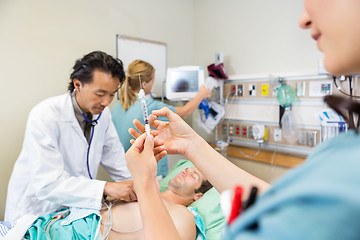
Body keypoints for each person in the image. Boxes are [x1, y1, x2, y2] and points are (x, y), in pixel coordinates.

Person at [125, 1, 360, 238]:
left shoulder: (349, 170)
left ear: (198, 197)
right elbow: (279, 208)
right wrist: (191, 144)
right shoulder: (343, 151)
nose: (303, 20)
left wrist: (145, 184)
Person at [5, 51, 138, 222]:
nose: (106, 102)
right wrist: (107, 187)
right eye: (100, 94)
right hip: (36, 209)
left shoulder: (103, 115)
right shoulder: (45, 115)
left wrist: (138, 186)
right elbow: (48, 184)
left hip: (71, 209)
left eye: (112, 95)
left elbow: (116, 159)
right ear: (78, 84)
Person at [22, 166, 212, 240]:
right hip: (47, 225)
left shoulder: (184, 216)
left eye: (193, 175)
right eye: (186, 169)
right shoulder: (142, 191)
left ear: (198, 196)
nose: (185, 172)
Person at [111, 60, 211, 177]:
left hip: (124, 171)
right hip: (148, 172)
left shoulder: (117, 106)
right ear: (144, 84)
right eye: (152, 80)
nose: (153, 84)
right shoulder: (150, 105)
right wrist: (201, 94)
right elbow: (184, 111)